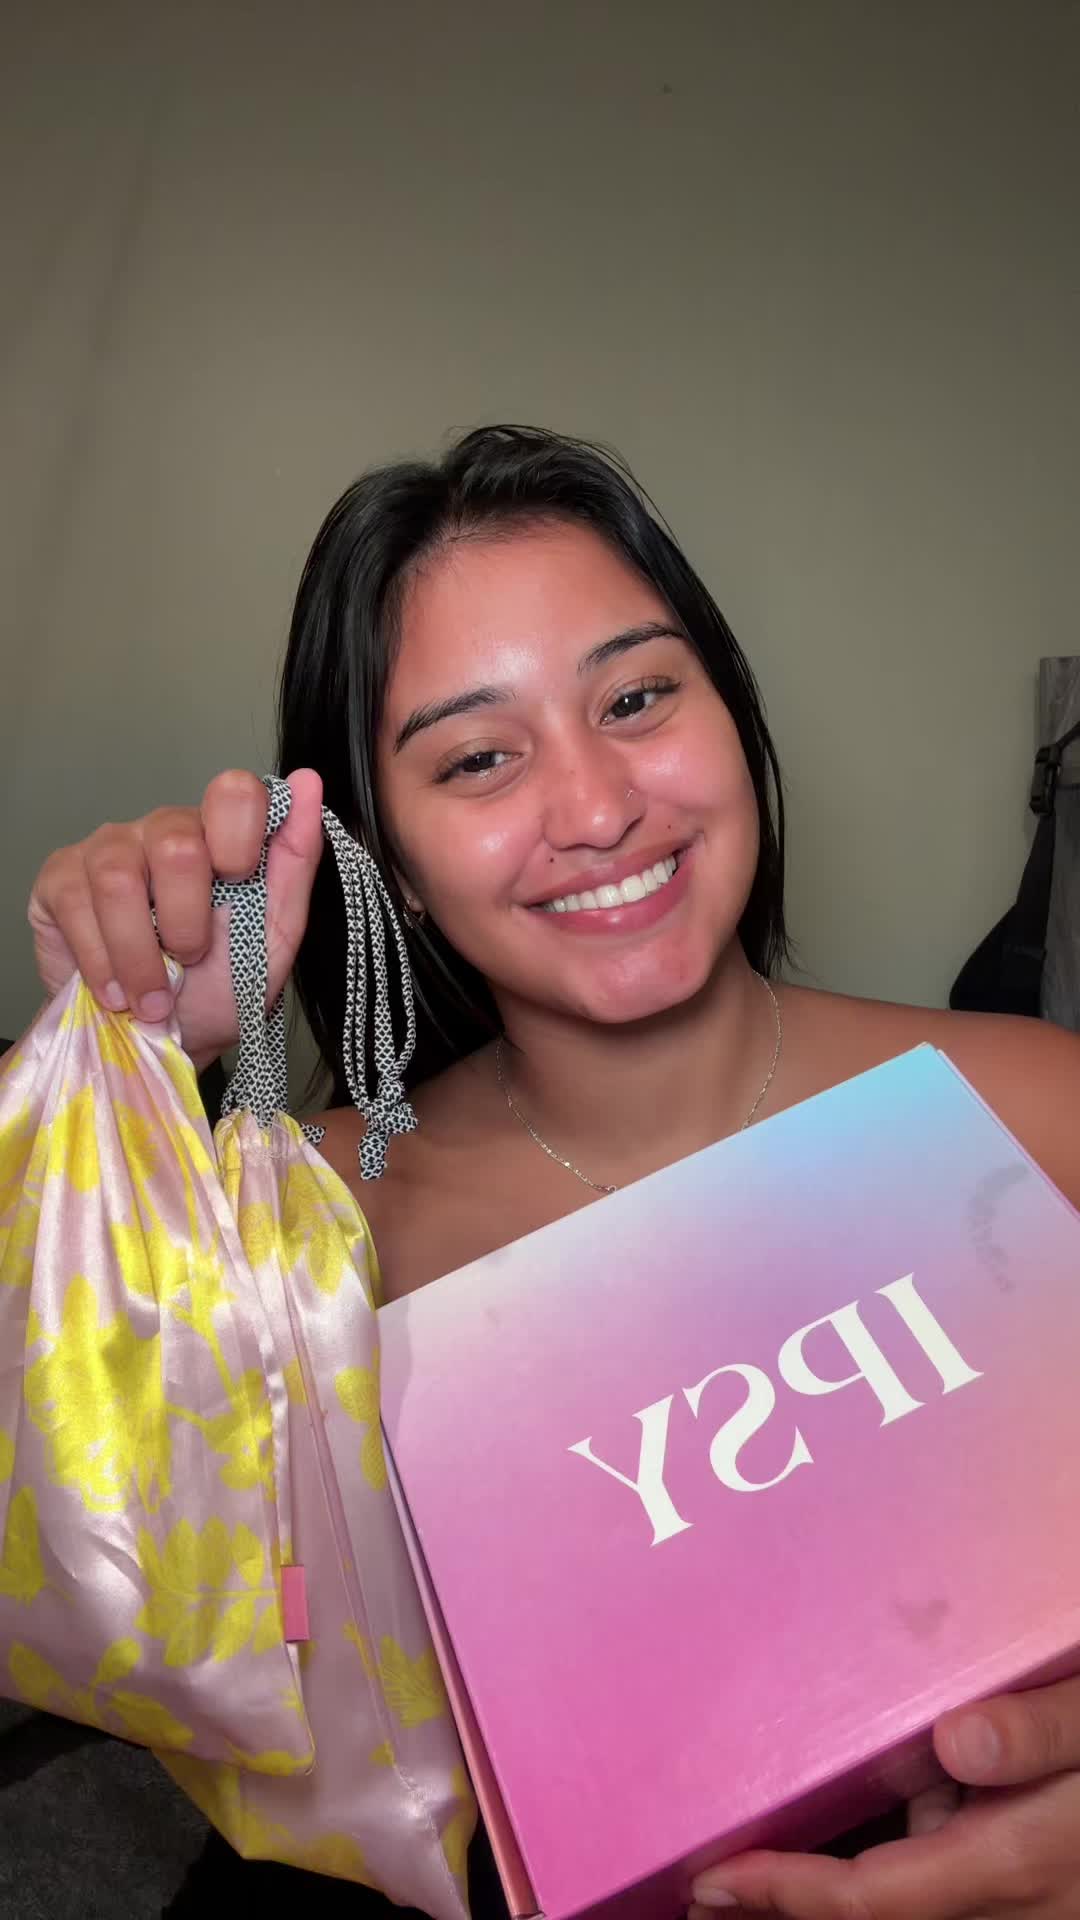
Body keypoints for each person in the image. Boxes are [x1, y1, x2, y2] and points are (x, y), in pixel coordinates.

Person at [27, 426, 1080, 1919]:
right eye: (478, 759)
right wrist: (121, 1084)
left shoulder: (1031, 1115)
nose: (596, 809)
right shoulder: (302, 1226)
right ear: (390, 861)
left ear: (732, 713)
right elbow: (93, 1571)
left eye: (636, 697)